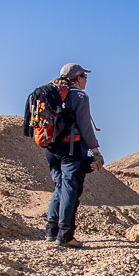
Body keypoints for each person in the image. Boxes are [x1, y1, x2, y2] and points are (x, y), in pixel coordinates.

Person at [45, 62, 104, 248]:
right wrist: (95, 151)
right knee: (71, 189)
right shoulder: (79, 96)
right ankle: (65, 235)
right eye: (85, 76)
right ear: (77, 78)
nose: (86, 80)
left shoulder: (51, 94)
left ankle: (51, 232)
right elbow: (86, 127)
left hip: (51, 149)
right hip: (72, 149)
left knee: (60, 187)